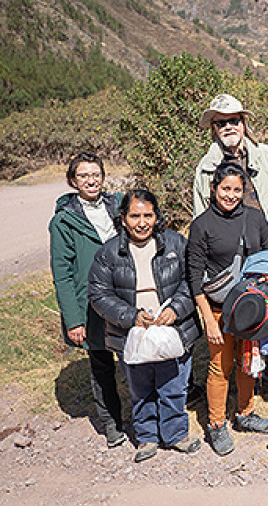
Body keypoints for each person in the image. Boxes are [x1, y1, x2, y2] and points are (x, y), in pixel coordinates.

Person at [193, 93, 268, 388]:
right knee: (240, 309)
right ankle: (241, 374)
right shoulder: (206, 168)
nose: (229, 126)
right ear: (213, 128)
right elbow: (200, 217)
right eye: (221, 122)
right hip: (227, 257)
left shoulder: (267, 156)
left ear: (243, 123)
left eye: (234, 120)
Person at [88, 189, 202, 463]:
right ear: (124, 219)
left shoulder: (175, 244)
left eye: (148, 215)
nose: (142, 222)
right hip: (131, 332)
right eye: (135, 216)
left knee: (174, 384)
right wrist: (130, 316)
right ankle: (147, 436)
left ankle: (176, 434)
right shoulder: (109, 253)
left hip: (172, 329)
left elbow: (193, 282)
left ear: (156, 216)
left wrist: (176, 309)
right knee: (140, 387)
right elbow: (98, 293)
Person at [187, 162, 268, 456]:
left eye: (237, 189)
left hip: (252, 310)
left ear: (244, 191)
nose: (231, 195)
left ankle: (245, 413)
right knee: (220, 367)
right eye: (225, 188)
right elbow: (194, 278)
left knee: (248, 362)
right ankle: (216, 424)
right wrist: (209, 322)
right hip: (218, 310)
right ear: (214, 189)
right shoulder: (202, 225)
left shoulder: (255, 218)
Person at [49, 153, 126, 448]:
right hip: (89, 302)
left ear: (103, 177)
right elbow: (63, 274)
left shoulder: (118, 206)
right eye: (83, 176)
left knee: (135, 358)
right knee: (102, 363)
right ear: (73, 181)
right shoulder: (64, 222)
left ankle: (148, 415)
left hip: (123, 295)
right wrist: (73, 319)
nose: (91, 180)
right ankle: (111, 422)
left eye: (95, 174)